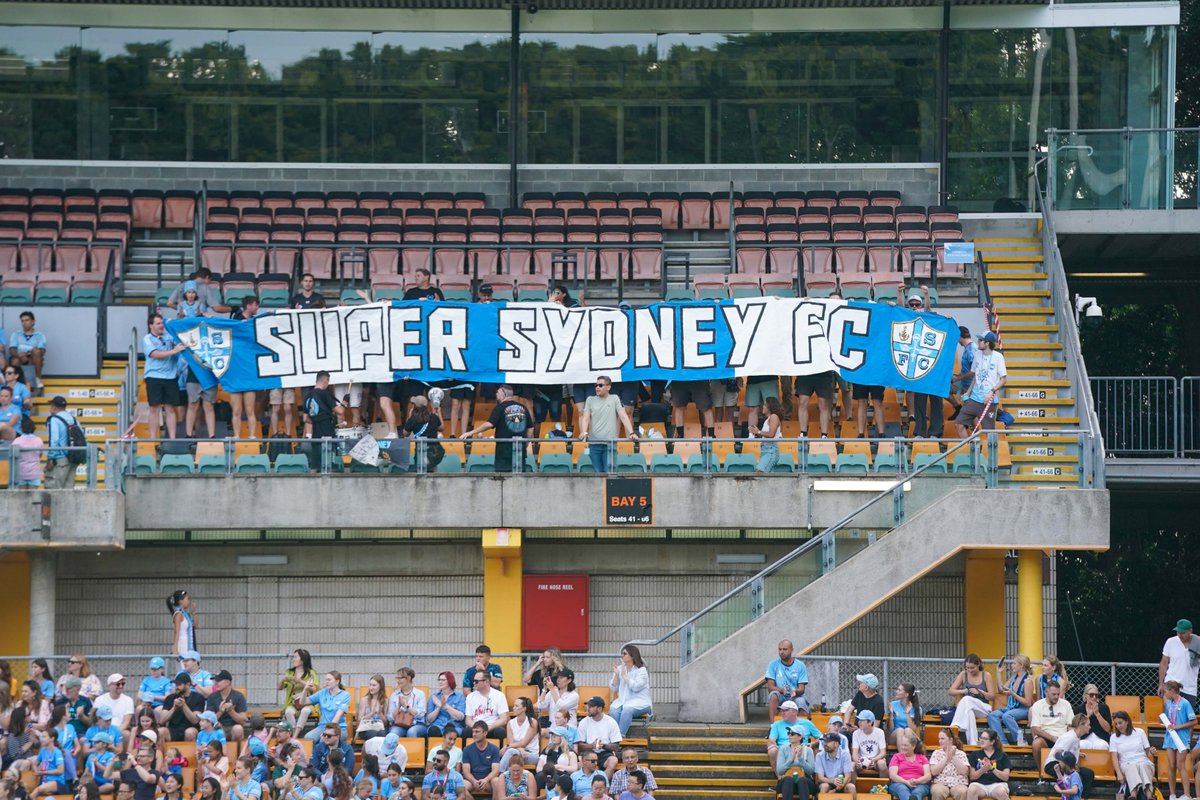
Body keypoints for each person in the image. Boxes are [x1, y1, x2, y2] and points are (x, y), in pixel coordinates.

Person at [462, 385, 533, 473]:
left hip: (504, 451)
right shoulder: (523, 408)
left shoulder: (500, 407)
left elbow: (489, 424)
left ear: (504, 395)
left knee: (503, 478)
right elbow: (530, 429)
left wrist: (471, 432)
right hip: (520, 450)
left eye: (498, 393)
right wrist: (524, 444)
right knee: (520, 478)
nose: (496, 395)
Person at [904, 289, 944, 438]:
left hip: (932, 365)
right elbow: (900, 311)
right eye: (912, 305)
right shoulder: (907, 319)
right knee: (919, 401)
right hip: (917, 367)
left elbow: (927, 310)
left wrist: (927, 295)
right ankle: (920, 431)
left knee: (936, 401)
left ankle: (935, 431)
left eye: (917, 304)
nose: (914, 307)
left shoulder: (930, 317)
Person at [579, 376, 638, 473]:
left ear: (608, 387)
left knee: (609, 473)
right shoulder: (590, 399)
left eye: (600, 385)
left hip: (610, 444)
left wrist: (631, 432)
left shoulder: (615, 398)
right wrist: (584, 431)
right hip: (594, 444)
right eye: (596, 385)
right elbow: (585, 418)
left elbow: (623, 416)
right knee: (598, 473)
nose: (597, 387)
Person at [142, 314, 187, 439]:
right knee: (154, 409)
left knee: (171, 409)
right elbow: (155, 354)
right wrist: (173, 351)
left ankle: (172, 439)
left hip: (171, 376)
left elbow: (182, 341)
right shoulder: (147, 339)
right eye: (158, 323)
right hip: (153, 376)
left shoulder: (169, 336)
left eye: (162, 323)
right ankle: (152, 439)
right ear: (151, 326)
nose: (161, 325)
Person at [953, 332, 1005, 437]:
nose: (978, 342)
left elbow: (1004, 379)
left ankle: (990, 453)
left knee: (989, 433)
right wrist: (968, 392)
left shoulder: (998, 357)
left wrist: (992, 392)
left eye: (981, 340)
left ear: (987, 343)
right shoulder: (977, 354)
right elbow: (976, 376)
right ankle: (969, 449)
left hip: (988, 401)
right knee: (959, 424)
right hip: (974, 399)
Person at [949, 654, 997, 745]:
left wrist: (979, 692)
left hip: (983, 708)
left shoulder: (986, 675)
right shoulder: (963, 674)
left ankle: (954, 726)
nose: (969, 670)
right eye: (967, 668)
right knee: (969, 713)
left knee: (967, 699)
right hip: (968, 708)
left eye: (972, 668)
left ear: (978, 664)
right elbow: (951, 691)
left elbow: (992, 696)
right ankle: (973, 743)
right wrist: (964, 690)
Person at [1042, 714, 1093, 798]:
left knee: (1088, 773)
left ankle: (1081, 797)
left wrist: (1076, 753)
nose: (1090, 727)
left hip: (1067, 764)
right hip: (1054, 764)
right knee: (1076, 776)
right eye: (1088, 725)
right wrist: (1068, 765)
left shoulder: (1076, 736)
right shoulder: (1070, 737)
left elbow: (1066, 750)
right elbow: (1057, 753)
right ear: (1081, 725)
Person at [988, 654, 1035, 746]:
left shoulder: (1027, 681)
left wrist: (1013, 694)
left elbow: (1028, 703)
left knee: (1007, 716)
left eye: (1014, 663)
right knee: (992, 715)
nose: (1012, 665)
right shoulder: (1014, 678)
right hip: (1011, 707)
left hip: (1023, 709)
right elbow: (1001, 689)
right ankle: (1003, 742)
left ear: (1021, 665)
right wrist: (998, 673)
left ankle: (1021, 740)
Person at [1108, 711, 1155, 800]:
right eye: (1116, 724)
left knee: (1144, 765)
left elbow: (1148, 754)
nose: (1118, 726)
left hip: (1143, 760)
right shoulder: (1114, 737)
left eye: (1120, 723)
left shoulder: (1140, 732)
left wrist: (1151, 752)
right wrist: (1119, 774)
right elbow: (1114, 757)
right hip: (1126, 763)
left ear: (1127, 721)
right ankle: (1133, 795)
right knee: (1132, 766)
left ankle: (1149, 796)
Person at [1162, 680, 1195, 800]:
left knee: (1181, 765)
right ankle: (1172, 794)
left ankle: (1187, 794)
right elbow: (1168, 718)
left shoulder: (1185, 703)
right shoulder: (1168, 704)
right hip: (1170, 738)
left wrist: (1178, 727)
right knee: (1171, 765)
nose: (1164, 694)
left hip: (1181, 738)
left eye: (1166, 691)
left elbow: (1194, 721)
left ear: (1172, 691)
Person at [1030, 681, 1073, 769]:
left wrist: (1069, 737)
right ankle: (1041, 773)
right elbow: (1035, 728)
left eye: (1058, 694)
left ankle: (1068, 773)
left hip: (1062, 737)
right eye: (1054, 694)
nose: (1056, 697)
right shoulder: (1038, 705)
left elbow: (1071, 725)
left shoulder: (1066, 704)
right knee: (1037, 744)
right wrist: (1052, 737)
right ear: (1046, 692)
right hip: (1045, 737)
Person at [609, 646, 651, 737]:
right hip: (623, 701)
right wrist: (616, 675)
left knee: (627, 710)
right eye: (622, 653)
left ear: (632, 656)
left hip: (641, 702)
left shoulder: (641, 671)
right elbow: (614, 688)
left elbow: (636, 687)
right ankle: (613, 736)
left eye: (624, 653)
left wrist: (624, 676)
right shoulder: (620, 669)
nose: (622, 656)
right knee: (613, 710)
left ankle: (619, 736)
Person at [1159, 619, 1199, 711]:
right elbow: (1163, 663)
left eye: (1183, 632)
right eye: (1178, 632)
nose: (1180, 635)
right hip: (1171, 684)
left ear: (1190, 631)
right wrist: (1161, 684)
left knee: (1187, 717)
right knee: (1170, 713)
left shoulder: (1198, 643)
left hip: (1190, 687)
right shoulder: (1170, 642)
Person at [299, 672, 351, 743]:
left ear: (337, 681)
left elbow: (337, 717)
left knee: (324, 740)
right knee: (308, 738)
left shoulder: (345, 695)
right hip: (322, 726)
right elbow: (303, 702)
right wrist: (305, 689)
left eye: (329, 680)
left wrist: (326, 733)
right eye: (326, 680)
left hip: (338, 728)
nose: (326, 682)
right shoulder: (322, 692)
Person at [765, 640, 810, 718]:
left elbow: (802, 689)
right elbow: (770, 687)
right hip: (781, 696)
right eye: (780, 649)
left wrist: (795, 691)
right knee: (773, 696)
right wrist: (782, 690)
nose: (782, 652)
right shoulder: (773, 664)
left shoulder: (800, 665)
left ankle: (802, 729)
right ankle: (773, 727)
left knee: (801, 701)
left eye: (785, 649)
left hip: (795, 697)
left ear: (792, 649)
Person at [575, 698, 621, 775]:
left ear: (599, 709)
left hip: (605, 753)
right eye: (587, 706)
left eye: (591, 706)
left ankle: (603, 784)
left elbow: (616, 746)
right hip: (589, 752)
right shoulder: (583, 722)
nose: (587, 708)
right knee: (587, 763)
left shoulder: (611, 722)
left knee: (613, 761)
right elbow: (579, 745)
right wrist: (591, 745)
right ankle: (593, 784)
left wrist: (604, 746)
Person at [43, 396, 78, 489]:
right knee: (69, 489)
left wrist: (50, 459)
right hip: (73, 458)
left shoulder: (54, 419)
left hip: (60, 459)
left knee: (54, 489)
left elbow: (54, 440)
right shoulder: (74, 419)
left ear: (54, 407)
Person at [279, 650, 319, 733]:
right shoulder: (289, 672)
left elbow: (314, 688)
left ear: (303, 659)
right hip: (292, 703)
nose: (293, 659)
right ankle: (293, 732)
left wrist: (299, 681)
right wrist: (282, 681)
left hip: (307, 703)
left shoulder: (311, 673)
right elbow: (279, 688)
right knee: (288, 712)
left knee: (306, 711)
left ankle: (296, 734)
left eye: (295, 657)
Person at [157, 672, 204, 742]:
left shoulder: (198, 698)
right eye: (175, 684)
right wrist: (174, 708)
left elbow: (195, 720)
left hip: (190, 728)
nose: (176, 687)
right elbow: (162, 721)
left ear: (188, 684)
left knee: (190, 732)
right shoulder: (170, 698)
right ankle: (159, 752)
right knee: (160, 731)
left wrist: (184, 705)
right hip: (173, 729)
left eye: (179, 685)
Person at [966, 729, 1011, 800]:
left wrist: (992, 768)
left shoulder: (1002, 755)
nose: (981, 740)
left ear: (992, 741)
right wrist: (983, 769)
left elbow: (1005, 777)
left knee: (1001, 792)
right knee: (971, 790)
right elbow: (972, 777)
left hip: (997, 784)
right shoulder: (975, 754)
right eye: (981, 738)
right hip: (979, 784)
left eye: (985, 738)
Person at [204, 670, 248, 741]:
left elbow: (242, 721)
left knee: (238, 729)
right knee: (216, 728)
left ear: (228, 682)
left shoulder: (239, 696)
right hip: (218, 726)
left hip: (233, 727)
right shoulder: (212, 697)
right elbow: (209, 721)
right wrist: (220, 711)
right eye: (215, 681)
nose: (215, 683)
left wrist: (231, 711)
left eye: (218, 681)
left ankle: (237, 751)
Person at [774, 726, 815, 800]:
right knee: (788, 780)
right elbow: (779, 771)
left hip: (804, 782)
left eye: (792, 734)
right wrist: (790, 760)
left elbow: (811, 771)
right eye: (788, 733)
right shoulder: (783, 749)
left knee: (802, 780)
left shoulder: (808, 750)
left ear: (800, 737)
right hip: (787, 783)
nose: (789, 735)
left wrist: (800, 759)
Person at [889, 729, 932, 800]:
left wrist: (917, 781)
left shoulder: (922, 757)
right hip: (899, 783)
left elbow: (928, 776)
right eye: (902, 745)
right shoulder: (896, 756)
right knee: (902, 790)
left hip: (919, 784)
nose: (903, 747)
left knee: (917, 792)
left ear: (913, 746)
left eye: (905, 745)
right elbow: (893, 776)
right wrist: (906, 782)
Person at [460, 721, 501, 797]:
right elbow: (466, 772)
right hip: (472, 781)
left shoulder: (494, 749)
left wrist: (485, 780)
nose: (474, 734)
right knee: (460, 787)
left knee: (497, 781)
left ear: (485, 733)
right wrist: (474, 781)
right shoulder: (467, 749)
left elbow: (495, 771)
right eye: (473, 732)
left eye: (477, 732)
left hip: (488, 781)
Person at [9, 311, 46, 393]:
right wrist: (20, 356)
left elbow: (42, 351)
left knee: (36, 351)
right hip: (19, 358)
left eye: (27, 320)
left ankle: (37, 379)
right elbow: (12, 349)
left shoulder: (40, 335)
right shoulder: (16, 334)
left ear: (33, 321)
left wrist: (26, 354)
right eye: (22, 321)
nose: (24, 323)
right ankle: (16, 384)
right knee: (15, 360)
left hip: (33, 358)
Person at [929, 727, 970, 800]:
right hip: (940, 782)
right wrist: (946, 758)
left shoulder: (961, 753)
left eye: (942, 739)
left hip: (959, 783)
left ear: (950, 740)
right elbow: (934, 772)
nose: (940, 741)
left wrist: (953, 756)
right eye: (939, 739)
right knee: (938, 792)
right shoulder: (936, 753)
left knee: (962, 791)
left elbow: (964, 772)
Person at [499, 698, 539, 772]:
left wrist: (507, 746)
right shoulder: (510, 723)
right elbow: (512, 743)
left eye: (516, 706)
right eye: (514, 706)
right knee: (512, 756)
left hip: (530, 754)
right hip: (516, 752)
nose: (513, 708)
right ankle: (507, 779)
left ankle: (499, 773)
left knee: (510, 752)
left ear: (524, 708)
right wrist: (520, 749)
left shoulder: (532, 722)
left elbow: (524, 743)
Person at [465, 671, 509, 736]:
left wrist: (488, 728)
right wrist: (478, 728)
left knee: (500, 732)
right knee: (466, 731)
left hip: (492, 727)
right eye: (473, 680)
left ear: (486, 682)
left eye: (476, 681)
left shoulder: (499, 695)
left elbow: (503, 719)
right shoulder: (470, 697)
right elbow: (468, 720)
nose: (474, 683)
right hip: (476, 728)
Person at [387, 667, 427, 738]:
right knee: (393, 733)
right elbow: (390, 717)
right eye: (397, 678)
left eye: (401, 678)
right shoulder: (394, 695)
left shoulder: (420, 694)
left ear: (409, 678)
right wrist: (398, 706)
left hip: (416, 724)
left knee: (411, 732)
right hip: (399, 725)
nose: (398, 681)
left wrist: (406, 706)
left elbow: (421, 714)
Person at [813, 732, 855, 799]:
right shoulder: (819, 756)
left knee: (851, 787)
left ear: (836, 744)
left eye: (828, 742)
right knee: (824, 786)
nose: (825, 744)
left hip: (842, 783)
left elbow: (848, 777)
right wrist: (833, 781)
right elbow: (820, 777)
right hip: (827, 782)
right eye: (824, 742)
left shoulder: (845, 755)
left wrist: (838, 788)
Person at [425, 671, 467, 738]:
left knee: (452, 731)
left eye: (443, 680)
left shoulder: (459, 697)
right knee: (433, 730)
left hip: (454, 726)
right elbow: (429, 720)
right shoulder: (434, 697)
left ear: (450, 681)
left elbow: (460, 717)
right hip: (437, 726)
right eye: (439, 680)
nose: (440, 682)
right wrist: (438, 707)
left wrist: (446, 706)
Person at [749, 397, 784, 472]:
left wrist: (758, 432)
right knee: (764, 476)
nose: (763, 407)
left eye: (765, 405)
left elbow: (771, 435)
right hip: (766, 450)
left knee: (759, 473)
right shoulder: (769, 419)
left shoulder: (774, 417)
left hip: (770, 450)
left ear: (770, 407)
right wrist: (755, 432)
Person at [851, 710, 888, 777]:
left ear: (870, 722)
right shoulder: (856, 733)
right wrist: (858, 761)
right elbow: (854, 754)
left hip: (876, 760)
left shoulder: (880, 732)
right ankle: (855, 786)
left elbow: (883, 752)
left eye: (862, 720)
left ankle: (883, 786)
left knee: (882, 764)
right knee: (851, 766)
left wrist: (874, 760)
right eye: (859, 720)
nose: (859, 723)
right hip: (862, 760)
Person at [11, 417, 42, 488]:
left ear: (21, 428)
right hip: (34, 473)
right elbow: (40, 455)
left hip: (21, 474)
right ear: (34, 428)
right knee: (33, 498)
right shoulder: (39, 440)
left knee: (22, 498)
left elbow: (13, 457)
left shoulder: (16, 441)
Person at [1077, 685, 1111, 750]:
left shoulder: (1104, 708)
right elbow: (1078, 730)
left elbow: (1108, 729)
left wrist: (1097, 714)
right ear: (1085, 696)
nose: (1094, 697)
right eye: (1091, 695)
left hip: (1101, 737)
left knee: (1101, 746)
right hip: (1084, 737)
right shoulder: (1078, 709)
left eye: (1096, 695)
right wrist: (1088, 715)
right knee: (1081, 745)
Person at [165, 591, 196, 662]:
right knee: (183, 667)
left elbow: (195, 625)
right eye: (187, 599)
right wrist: (175, 648)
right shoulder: (178, 614)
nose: (189, 601)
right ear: (181, 601)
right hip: (182, 644)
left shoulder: (185, 614)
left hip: (189, 644)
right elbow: (176, 631)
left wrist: (194, 613)